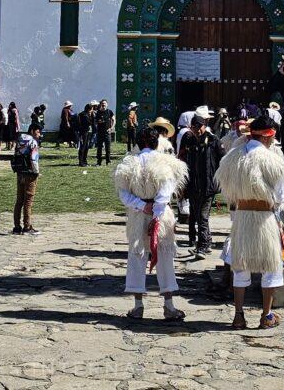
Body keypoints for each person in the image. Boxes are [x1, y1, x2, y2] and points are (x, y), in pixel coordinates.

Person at [214, 115, 284, 330]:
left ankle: (238, 316)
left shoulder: (231, 159)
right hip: (265, 218)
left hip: (241, 216)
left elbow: (227, 191)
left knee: (240, 267)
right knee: (270, 266)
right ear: (271, 135)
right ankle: (266, 315)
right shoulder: (275, 163)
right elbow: (279, 198)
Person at [113, 125, 188, 322]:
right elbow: (164, 194)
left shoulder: (129, 164)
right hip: (161, 215)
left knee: (137, 255)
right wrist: (155, 212)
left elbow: (123, 193)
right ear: (157, 143)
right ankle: (169, 306)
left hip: (138, 215)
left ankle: (138, 306)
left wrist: (140, 205)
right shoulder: (165, 164)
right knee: (165, 256)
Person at [178, 113, 221, 255]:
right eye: (194, 127)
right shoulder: (190, 141)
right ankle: (206, 241)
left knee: (202, 216)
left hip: (208, 185)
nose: (197, 130)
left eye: (199, 127)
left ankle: (202, 246)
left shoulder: (214, 141)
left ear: (204, 126)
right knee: (198, 216)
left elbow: (223, 161)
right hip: (194, 186)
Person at [11, 122, 42, 235]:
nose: (39, 134)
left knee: (19, 200)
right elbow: (34, 159)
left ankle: (17, 227)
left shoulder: (20, 140)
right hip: (30, 173)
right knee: (28, 201)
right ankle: (27, 226)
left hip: (20, 172)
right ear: (33, 130)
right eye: (38, 132)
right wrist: (37, 172)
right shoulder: (33, 142)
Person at [95, 99, 115, 166]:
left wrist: (111, 128)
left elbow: (114, 120)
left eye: (105, 103)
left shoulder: (109, 112)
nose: (103, 104)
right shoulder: (98, 112)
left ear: (107, 104)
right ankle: (99, 162)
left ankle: (108, 161)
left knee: (108, 148)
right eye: (102, 103)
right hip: (100, 132)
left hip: (107, 133)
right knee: (99, 148)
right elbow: (95, 121)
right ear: (101, 104)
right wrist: (98, 122)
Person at [77, 102, 96, 167]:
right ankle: (81, 162)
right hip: (83, 133)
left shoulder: (87, 114)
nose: (92, 110)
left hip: (87, 132)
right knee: (83, 147)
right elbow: (88, 123)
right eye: (92, 109)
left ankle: (84, 161)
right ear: (89, 109)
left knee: (86, 147)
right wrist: (92, 116)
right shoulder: (84, 115)